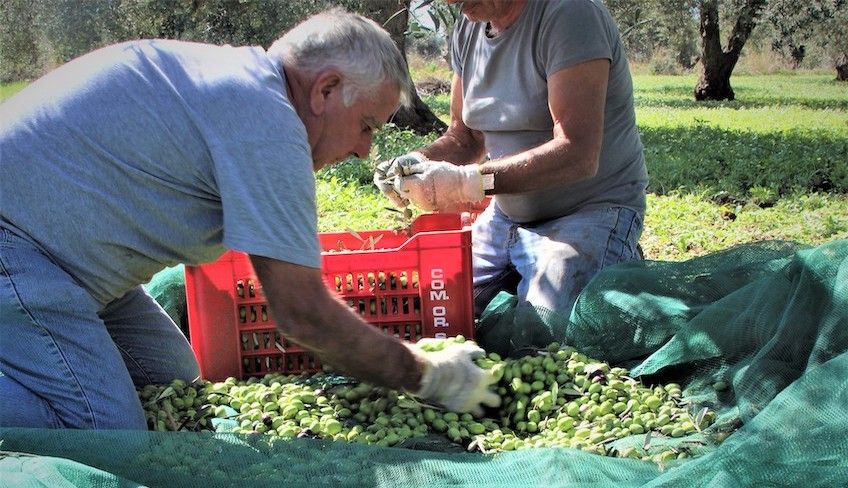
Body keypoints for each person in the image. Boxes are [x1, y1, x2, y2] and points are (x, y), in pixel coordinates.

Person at [0, 8, 498, 430]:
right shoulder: (265, 119)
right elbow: (302, 314)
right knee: (107, 432)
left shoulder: (246, 88)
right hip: (20, 251)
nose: (364, 151)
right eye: (366, 126)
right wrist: (428, 377)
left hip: (77, 261)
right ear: (325, 89)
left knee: (170, 378)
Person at [375, 0, 647, 323]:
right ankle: (528, 266)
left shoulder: (570, 15)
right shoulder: (468, 28)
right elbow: (465, 137)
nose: (451, 3)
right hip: (505, 218)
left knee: (542, 327)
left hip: (588, 212)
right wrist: (417, 163)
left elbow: (578, 153)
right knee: (430, 308)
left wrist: (467, 183)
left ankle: (611, 253)